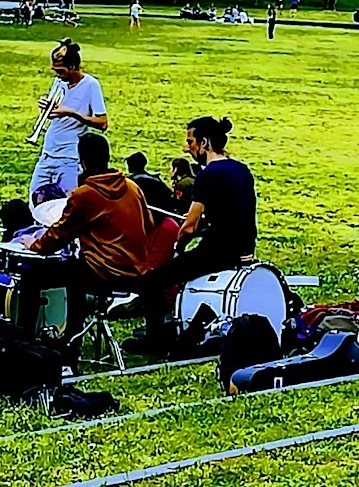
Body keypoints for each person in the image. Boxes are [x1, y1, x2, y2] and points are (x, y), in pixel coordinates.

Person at [134, 116, 258, 345]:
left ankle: (155, 339)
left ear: (204, 143)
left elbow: (189, 226)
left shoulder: (207, 175)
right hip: (245, 249)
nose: (187, 148)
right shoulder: (242, 170)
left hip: (219, 252)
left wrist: (178, 246)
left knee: (153, 280)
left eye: (190, 142)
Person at [22, 133, 152, 319]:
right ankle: (73, 330)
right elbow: (149, 224)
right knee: (76, 269)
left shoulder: (84, 194)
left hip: (105, 272)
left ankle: (29, 333)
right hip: (136, 270)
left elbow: (59, 235)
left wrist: (34, 244)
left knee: (32, 275)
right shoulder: (132, 187)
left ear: (82, 161)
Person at [30, 39, 108, 197]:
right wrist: (47, 108)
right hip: (48, 152)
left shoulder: (91, 85)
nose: (57, 75)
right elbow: (56, 111)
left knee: (67, 200)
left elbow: (102, 123)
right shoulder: (59, 82)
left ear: (72, 67)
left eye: (61, 71)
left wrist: (71, 113)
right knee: (35, 197)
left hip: (69, 156)